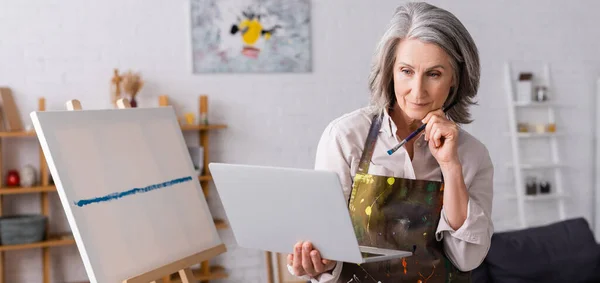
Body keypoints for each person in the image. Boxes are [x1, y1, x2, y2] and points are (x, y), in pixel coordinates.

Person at [287, 2, 494, 282]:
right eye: (406, 71)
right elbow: (328, 253)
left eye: (434, 74)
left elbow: (467, 258)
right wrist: (318, 264)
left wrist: (450, 165)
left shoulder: (473, 155)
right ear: (390, 71)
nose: (417, 91)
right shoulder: (347, 137)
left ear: (454, 81)